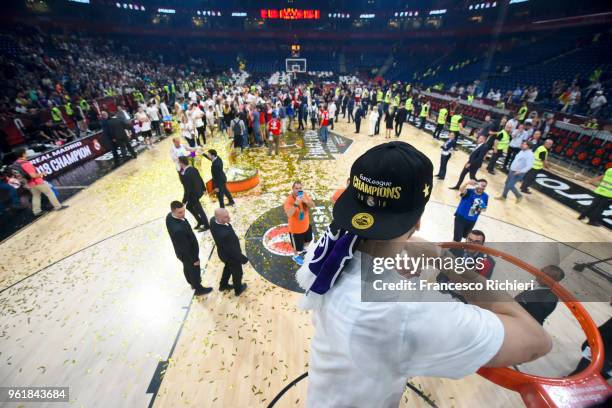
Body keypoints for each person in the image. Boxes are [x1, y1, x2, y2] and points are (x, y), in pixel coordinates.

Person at [296, 141, 551, 408]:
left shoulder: (327, 255)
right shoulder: (405, 311)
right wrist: (443, 260)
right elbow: (537, 341)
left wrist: (394, 269)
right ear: (418, 221)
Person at [165, 200, 213, 296]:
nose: (183, 214)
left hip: (180, 252)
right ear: (173, 211)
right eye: (180, 212)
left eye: (183, 211)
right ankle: (198, 289)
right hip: (188, 253)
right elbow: (185, 247)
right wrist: (194, 259)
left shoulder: (169, 216)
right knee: (194, 269)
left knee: (187, 267)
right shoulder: (178, 230)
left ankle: (191, 282)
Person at [14, 148, 67, 216]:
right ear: (23, 154)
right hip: (37, 182)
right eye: (25, 152)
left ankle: (36, 211)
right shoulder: (26, 164)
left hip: (29, 183)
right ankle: (58, 206)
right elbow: (33, 175)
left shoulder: (17, 163)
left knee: (36, 196)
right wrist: (42, 173)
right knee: (50, 193)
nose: (27, 153)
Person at [209, 208, 248, 296]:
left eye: (228, 215)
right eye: (226, 217)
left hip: (223, 253)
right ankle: (238, 289)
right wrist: (243, 259)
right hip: (231, 256)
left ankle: (223, 285)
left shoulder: (212, 221)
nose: (229, 218)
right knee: (238, 273)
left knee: (228, 268)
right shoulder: (224, 234)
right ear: (219, 218)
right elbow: (233, 251)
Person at [284, 181, 315, 265]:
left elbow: (313, 205)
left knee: (308, 241)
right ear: (293, 189)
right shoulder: (289, 200)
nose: (298, 190)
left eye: (300, 188)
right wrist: (295, 204)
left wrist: (306, 202)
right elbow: (288, 214)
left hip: (306, 226)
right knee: (296, 248)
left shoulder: (304, 195)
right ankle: (295, 256)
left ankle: (304, 249)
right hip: (295, 230)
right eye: (296, 188)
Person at [178, 156, 210, 231]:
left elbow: (187, 189)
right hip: (198, 192)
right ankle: (200, 221)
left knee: (200, 210)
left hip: (193, 195)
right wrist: (204, 189)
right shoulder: (193, 169)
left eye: (179, 162)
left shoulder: (186, 174)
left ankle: (206, 225)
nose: (178, 164)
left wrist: (184, 201)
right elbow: (200, 178)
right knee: (189, 206)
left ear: (182, 163)